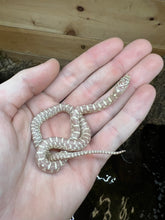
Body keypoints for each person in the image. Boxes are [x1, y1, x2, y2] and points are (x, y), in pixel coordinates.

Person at [0, 38, 163, 220]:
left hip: (55, 145)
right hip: (51, 148)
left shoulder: (77, 119)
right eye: (123, 83)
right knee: (73, 124)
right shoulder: (72, 123)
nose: (123, 83)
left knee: (76, 124)